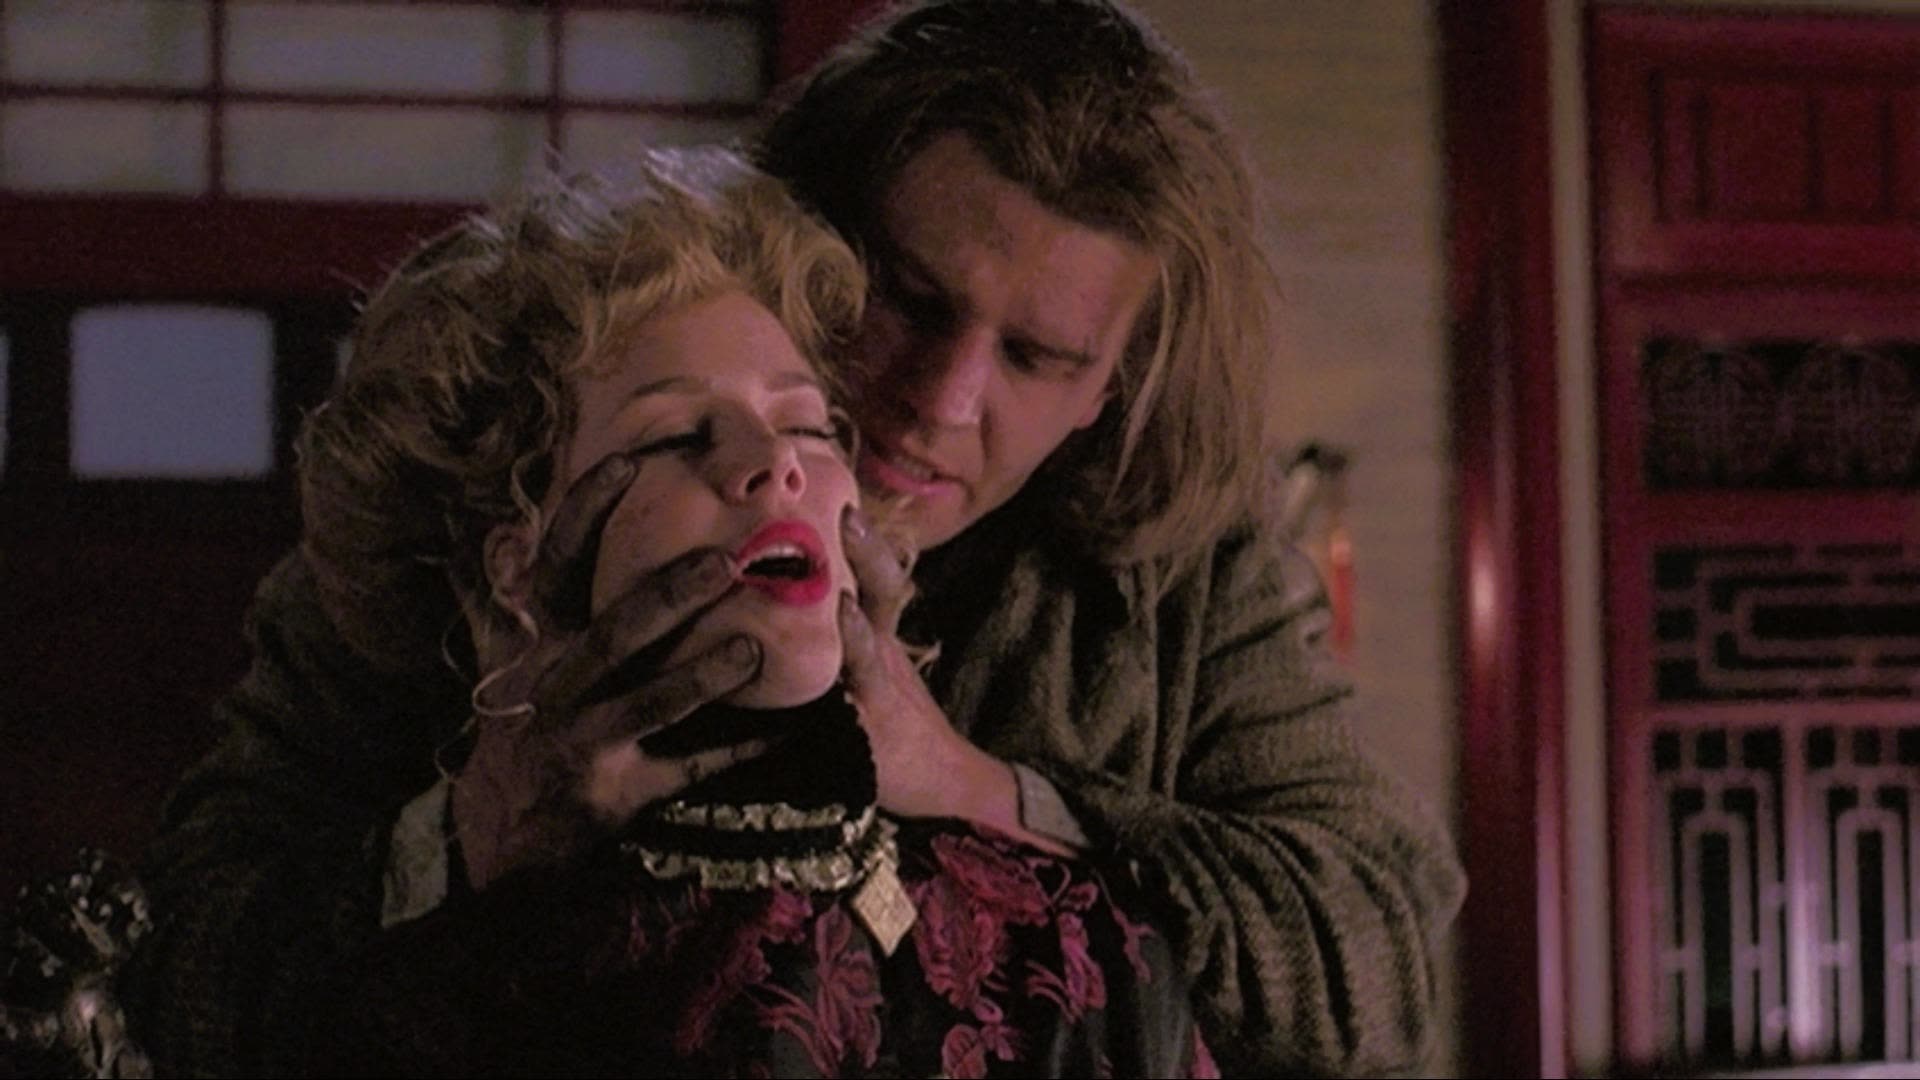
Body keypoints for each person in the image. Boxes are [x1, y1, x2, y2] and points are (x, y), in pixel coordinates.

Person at [127, 0, 1464, 1075]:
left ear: (1108, 391)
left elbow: (1383, 950)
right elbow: (176, 968)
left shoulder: (1176, 574)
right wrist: (473, 834)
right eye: (910, 298)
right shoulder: (472, 526)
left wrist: (983, 791)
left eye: (1036, 357)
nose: (939, 400)